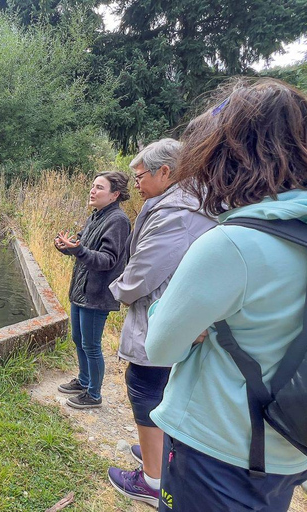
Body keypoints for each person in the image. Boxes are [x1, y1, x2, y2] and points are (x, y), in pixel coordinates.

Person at [145, 78, 307, 511]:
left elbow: (160, 347)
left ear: (224, 154)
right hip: (293, 445)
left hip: (218, 452)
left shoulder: (232, 245)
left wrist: (179, 315)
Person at [106, 139, 216, 506]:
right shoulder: (191, 202)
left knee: (145, 386)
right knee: (166, 389)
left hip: (162, 318)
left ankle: (152, 481)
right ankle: (161, 456)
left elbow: (144, 271)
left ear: (165, 172)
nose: (135, 183)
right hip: (181, 318)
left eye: (139, 176)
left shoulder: (176, 213)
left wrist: (118, 290)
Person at [54, 171, 131, 409]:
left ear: (114, 194)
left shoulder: (118, 220)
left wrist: (77, 250)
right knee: (79, 339)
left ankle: (94, 395)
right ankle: (84, 380)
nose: (92, 191)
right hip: (81, 291)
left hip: (97, 296)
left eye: (99, 187)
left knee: (91, 345)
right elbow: (81, 246)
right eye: (92, 186)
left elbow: (108, 259)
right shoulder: (96, 216)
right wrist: (65, 247)